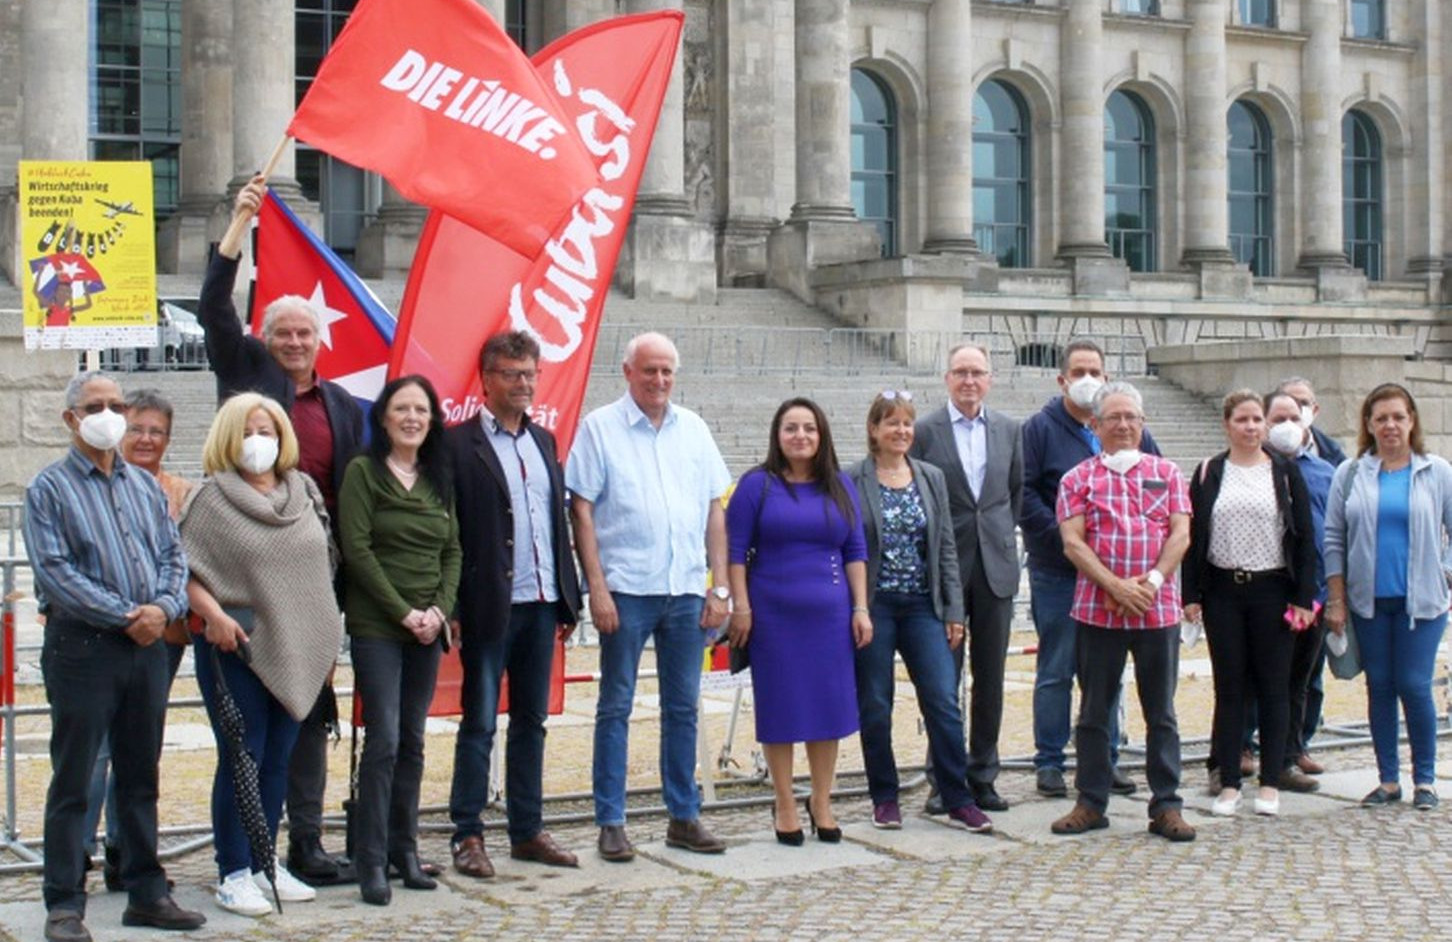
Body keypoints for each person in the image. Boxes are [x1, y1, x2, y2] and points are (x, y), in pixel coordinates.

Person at [200, 175, 364, 883]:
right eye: (283, 333)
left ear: (320, 339)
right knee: (250, 729)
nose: (295, 342)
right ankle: (243, 857)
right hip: (247, 572)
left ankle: (302, 843)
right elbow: (211, 307)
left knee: (306, 714)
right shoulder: (247, 376)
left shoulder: (345, 407)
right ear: (266, 339)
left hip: (314, 579)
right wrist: (241, 225)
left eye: (305, 333)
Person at [24, 372, 206, 942]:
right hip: (86, 648)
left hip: (147, 648)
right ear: (72, 419)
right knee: (75, 776)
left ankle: (146, 889)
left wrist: (163, 607)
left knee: (139, 772)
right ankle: (64, 900)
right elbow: (57, 573)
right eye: (96, 406)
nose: (109, 414)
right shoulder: (48, 489)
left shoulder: (145, 488)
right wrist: (131, 614)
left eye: (116, 405)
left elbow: (173, 556)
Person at [567, 332, 732, 861]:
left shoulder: (695, 429)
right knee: (614, 707)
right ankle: (611, 821)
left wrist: (720, 587)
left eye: (666, 372)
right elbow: (582, 511)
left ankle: (683, 815)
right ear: (627, 371)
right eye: (649, 371)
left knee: (683, 707)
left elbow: (714, 510)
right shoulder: (599, 428)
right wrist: (597, 586)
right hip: (627, 590)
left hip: (685, 589)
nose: (659, 381)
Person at [180, 394, 343, 916]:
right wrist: (214, 616)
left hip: (299, 646)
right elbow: (185, 569)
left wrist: (324, 639)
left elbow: (319, 566)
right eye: (250, 430)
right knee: (242, 758)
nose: (260, 441)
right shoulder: (211, 500)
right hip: (238, 648)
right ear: (230, 436)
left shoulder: (305, 491)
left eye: (269, 430)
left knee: (277, 759)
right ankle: (232, 871)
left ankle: (263, 862)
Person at [447, 332, 582, 879]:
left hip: (543, 603)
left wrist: (569, 600)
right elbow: (449, 530)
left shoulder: (544, 442)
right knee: (479, 721)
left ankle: (527, 830)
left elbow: (557, 523)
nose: (523, 384)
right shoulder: (457, 445)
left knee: (532, 721)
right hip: (488, 605)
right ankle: (468, 833)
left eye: (529, 374)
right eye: (511, 374)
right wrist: (453, 603)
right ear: (486, 378)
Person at [1051, 381, 1195, 842]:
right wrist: (1114, 585)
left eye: (1131, 416)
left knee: (1162, 711)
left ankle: (1167, 804)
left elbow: (1180, 535)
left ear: (1143, 423)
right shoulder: (1076, 480)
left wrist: (1150, 583)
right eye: (1113, 417)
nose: (1123, 425)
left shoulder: (1168, 472)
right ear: (1095, 425)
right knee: (1094, 709)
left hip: (1157, 611)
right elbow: (1073, 541)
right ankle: (1091, 801)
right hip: (1098, 610)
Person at [724, 398, 870, 843]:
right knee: (782, 709)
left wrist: (860, 607)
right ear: (777, 435)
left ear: (821, 434)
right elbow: (734, 552)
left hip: (830, 617)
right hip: (773, 617)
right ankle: (785, 801)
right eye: (791, 428)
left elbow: (855, 551)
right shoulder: (756, 486)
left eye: (809, 428)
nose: (800, 436)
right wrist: (741, 607)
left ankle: (821, 799)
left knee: (829, 709)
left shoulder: (840, 485)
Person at [338, 376, 461, 905]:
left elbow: (453, 550)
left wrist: (439, 610)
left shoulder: (438, 478)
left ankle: (404, 850)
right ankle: (370, 860)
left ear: (432, 420)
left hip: (427, 628)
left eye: (421, 409)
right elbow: (357, 549)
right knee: (382, 740)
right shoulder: (363, 473)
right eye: (401, 408)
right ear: (384, 417)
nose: (412, 417)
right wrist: (403, 612)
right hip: (378, 628)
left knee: (412, 740)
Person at [1019, 339, 1158, 799]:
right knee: (1056, 668)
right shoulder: (1039, 429)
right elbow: (1024, 494)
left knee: (1107, 672)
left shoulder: (1126, 423)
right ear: (1062, 379)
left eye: (1095, 371)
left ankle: (1105, 759)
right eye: (1078, 371)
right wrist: (1066, 536)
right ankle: (1051, 761)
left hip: (1118, 577)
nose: (1087, 379)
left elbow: (1157, 484)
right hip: (1060, 571)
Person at [846, 392, 991, 834]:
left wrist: (953, 609)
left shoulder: (929, 477)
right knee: (875, 703)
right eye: (891, 423)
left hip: (923, 605)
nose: (901, 431)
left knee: (944, 701)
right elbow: (848, 547)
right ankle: (885, 797)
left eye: (907, 424)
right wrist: (856, 608)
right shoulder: (852, 479)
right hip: (876, 607)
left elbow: (945, 546)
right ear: (874, 429)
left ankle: (956, 796)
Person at [1181, 390, 1317, 819]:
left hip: (1271, 589)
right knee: (1230, 688)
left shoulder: (1284, 471)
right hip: (1224, 590)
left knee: (1275, 688)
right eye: (1243, 419)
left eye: (1258, 419)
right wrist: (1191, 595)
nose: (1252, 427)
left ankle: (1272, 782)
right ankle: (1229, 781)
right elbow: (1193, 536)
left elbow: (1305, 538)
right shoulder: (1209, 472)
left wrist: (1302, 598)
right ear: (1227, 424)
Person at [84, 388, 194, 892]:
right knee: (95, 749)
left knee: (140, 749)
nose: (146, 439)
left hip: (162, 635)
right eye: (138, 429)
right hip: (102, 635)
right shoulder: (93, 483)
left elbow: (183, 561)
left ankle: (126, 851)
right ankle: (79, 848)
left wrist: (161, 611)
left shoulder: (181, 491)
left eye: (157, 432)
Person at [1324, 383, 1452, 811]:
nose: (1390, 425)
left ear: (1412, 420)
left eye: (1398, 416)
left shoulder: (1436, 471)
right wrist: (1337, 598)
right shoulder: (1351, 474)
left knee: (1414, 685)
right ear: (1369, 425)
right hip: (1369, 603)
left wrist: (1445, 572)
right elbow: (1334, 539)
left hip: (1423, 603)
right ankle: (1388, 779)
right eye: (1381, 418)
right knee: (1379, 686)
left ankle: (1426, 780)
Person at [909, 343, 1022, 812]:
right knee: (943, 679)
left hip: (995, 566)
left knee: (991, 676)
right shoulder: (924, 431)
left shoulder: (1011, 430)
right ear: (947, 378)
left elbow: (1012, 494)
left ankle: (984, 773)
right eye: (961, 372)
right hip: (945, 566)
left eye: (977, 372)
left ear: (990, 379)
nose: (969, 381)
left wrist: (995, 535)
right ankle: (943, 778)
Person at [1262, 390, 1335, 792]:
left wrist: (1329, 594)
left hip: (1313, 594)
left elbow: (1333, 533)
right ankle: (1237, 754)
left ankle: (1289, 754)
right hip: (1265, 590)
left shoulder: (1325, 471)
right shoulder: (1254, 467)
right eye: (1279, 418)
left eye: (1295, 416)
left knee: (1299, 682)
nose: (1287, 425)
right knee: (1253, 679)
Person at [1279, 376, 1348, 467]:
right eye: (1291, 401)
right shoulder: (1261, 449)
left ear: (1315, 410)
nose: (1297, 408)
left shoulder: (1332, 451)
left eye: (1303, 403)